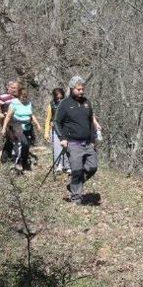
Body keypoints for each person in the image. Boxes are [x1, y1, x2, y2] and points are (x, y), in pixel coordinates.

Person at [54, 76, 102, 205]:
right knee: (76, 169)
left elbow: (91, 120)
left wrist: (93, 139)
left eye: (83, 89)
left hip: (87, 143)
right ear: (72, 88)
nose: (81, 91)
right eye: (78, 89)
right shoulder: (65, 104)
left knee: (92, 166)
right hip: (72, 143)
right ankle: (76, 197)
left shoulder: (87, 103)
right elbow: (57, 122)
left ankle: (74, 185)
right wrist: (62, 139)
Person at [1, 88, 42, 171]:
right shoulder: (14, 103)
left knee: (26, 146)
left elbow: (31, 115)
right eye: (23, 96)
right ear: (19, 96)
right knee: (23, 143)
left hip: (27, 126)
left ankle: (24, 162)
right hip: (17, 125)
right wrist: (4, 128)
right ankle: (18, 162)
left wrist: (37, 125)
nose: (24, 98)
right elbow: (8, 116)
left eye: (26, 96)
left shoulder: (29, 103)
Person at [0, 80, 20, 163]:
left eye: (16, 88)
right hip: (7, 122)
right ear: (8, 87)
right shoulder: (3, 97)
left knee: (14, 139)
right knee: (12, 138)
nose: (14, 89)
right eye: (12, 87)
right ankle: (9, 159)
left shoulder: (19, 97)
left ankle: (6, 159)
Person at [44, 87, 70, 174]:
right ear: (54, 97)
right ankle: (59, 165)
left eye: (61, 98)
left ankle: (68, 166)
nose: (59, 100)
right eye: (57, 98)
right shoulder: (51, 105)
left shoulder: (68, 104)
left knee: (66, 147)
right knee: (57, 148)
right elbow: (48, 119)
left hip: (66, 129)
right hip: (55, 129)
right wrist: (46, 133)